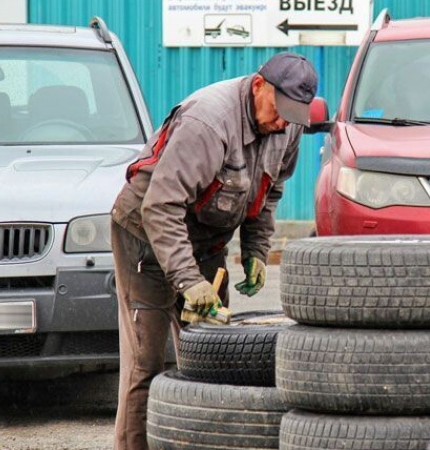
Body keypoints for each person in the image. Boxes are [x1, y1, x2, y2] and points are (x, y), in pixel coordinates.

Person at [109, 52, 317, 449]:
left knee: (210, 355)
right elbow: (161, 207)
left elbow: (268, 192)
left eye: (294, 114)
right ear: (259, 86)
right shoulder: (208, 123)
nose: (283, 122)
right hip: (147, 237)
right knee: (148, 365)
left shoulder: (288, 128)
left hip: (207, 240)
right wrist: (188, 281)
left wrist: (256, 250)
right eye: (279, 109)